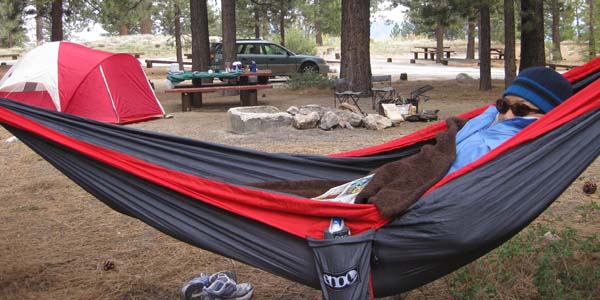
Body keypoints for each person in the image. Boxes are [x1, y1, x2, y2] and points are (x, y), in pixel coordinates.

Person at [446, 66, 573, 174]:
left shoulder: (522, 149)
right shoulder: (489, 117)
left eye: (521, 109)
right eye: (503, 105)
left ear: (547, 115)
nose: (507, 115)